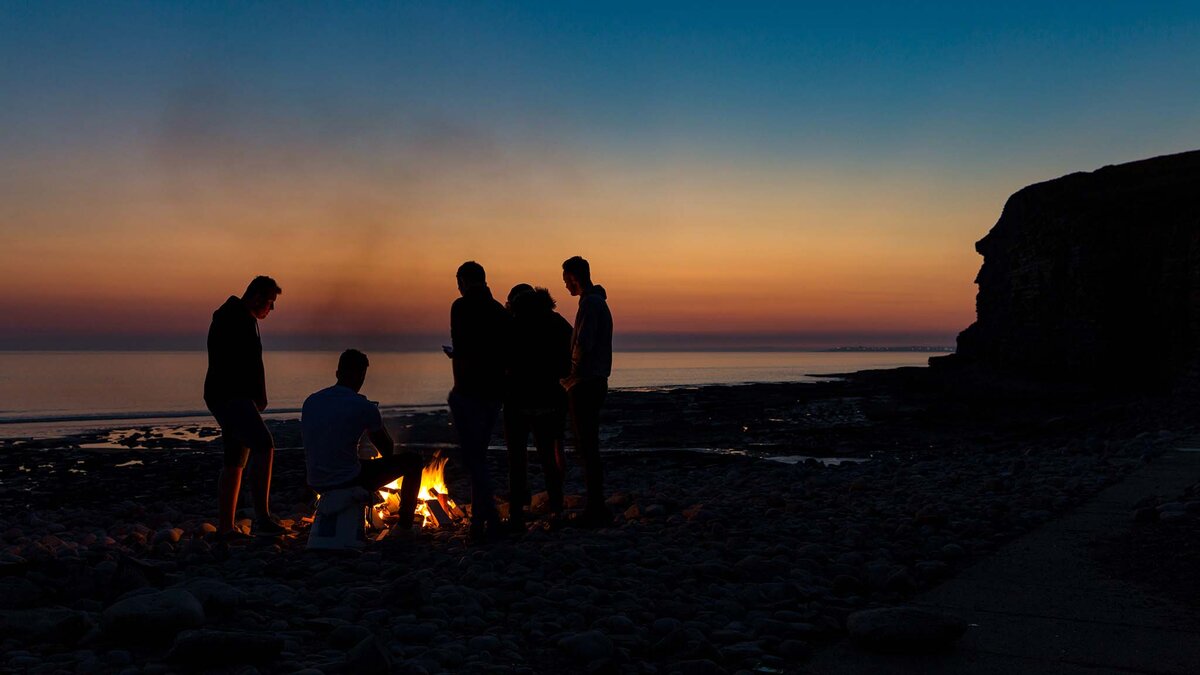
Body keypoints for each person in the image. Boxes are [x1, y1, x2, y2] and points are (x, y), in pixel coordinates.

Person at [301, 350, 425, 531]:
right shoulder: (363, 406)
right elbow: (387, 448)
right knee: (413, 461)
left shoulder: (311, 401)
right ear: (362, 377)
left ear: (337, 373)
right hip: (348, 480)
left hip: (315, 480)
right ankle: (405, 524)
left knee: (349, 461)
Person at [204, 276, 286, 539]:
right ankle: (261, 517)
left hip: (230, 396)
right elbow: (242, 363)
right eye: (270, 303)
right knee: (264, 444)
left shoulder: (238, 317)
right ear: (258, 297)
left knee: (235, 458)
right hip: (231, 396)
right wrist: (254, 397)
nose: (271, 310)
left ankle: (226, 527)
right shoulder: (234, 317)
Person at [447, 261, 512, 541]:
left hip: (468, 389)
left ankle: (488, 520)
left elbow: (462, 344)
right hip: (493, 390)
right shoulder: (499, 310)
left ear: (465, 280)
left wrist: (458, 355)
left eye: (458, 280)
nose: (457, 286)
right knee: (478, 455)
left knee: (474, 458)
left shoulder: (460, 307)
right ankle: (480, 520)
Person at [504, 285, 572, 529]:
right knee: (548, 458)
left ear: (513, 303)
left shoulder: (511, 324)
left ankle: (516, 513)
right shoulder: (555, 322)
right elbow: (569, 359)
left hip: (517, 400)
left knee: (516, 460)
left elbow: (500, 358)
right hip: (548, 399)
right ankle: (556, 509)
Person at [561, 256, 614, 527]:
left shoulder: (591, 304)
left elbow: (583, 342)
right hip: (592, 379)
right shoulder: (595, 302)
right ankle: (596, 504)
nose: (565, 287)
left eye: (565, 280)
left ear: (573, 277)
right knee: (587, 444)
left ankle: (595, 507)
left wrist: (572, 372)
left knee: (587, 445)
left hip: (586, 382)